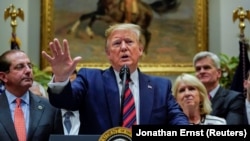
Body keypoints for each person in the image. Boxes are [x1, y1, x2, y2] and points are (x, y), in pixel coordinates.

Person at [42, 23, 189, 134]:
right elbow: (65, 101)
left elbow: (178, 119)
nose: (123, 47)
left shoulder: (160, 87)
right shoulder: (90, 79)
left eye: (129, 42)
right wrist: (61, 78)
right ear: (108, 53)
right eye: (117, 43)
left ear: (140, 49)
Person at [0, 49, 61, 141]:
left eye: (29, 66)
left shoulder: (50, 108)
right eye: (20, 67)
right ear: (3, 77)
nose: (28, 71)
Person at [193, 51, 245, 125]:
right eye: (198, 69)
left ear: (219, 73)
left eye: (206, 67)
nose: (202, 71)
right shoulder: (191, 99)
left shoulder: (234, 98)